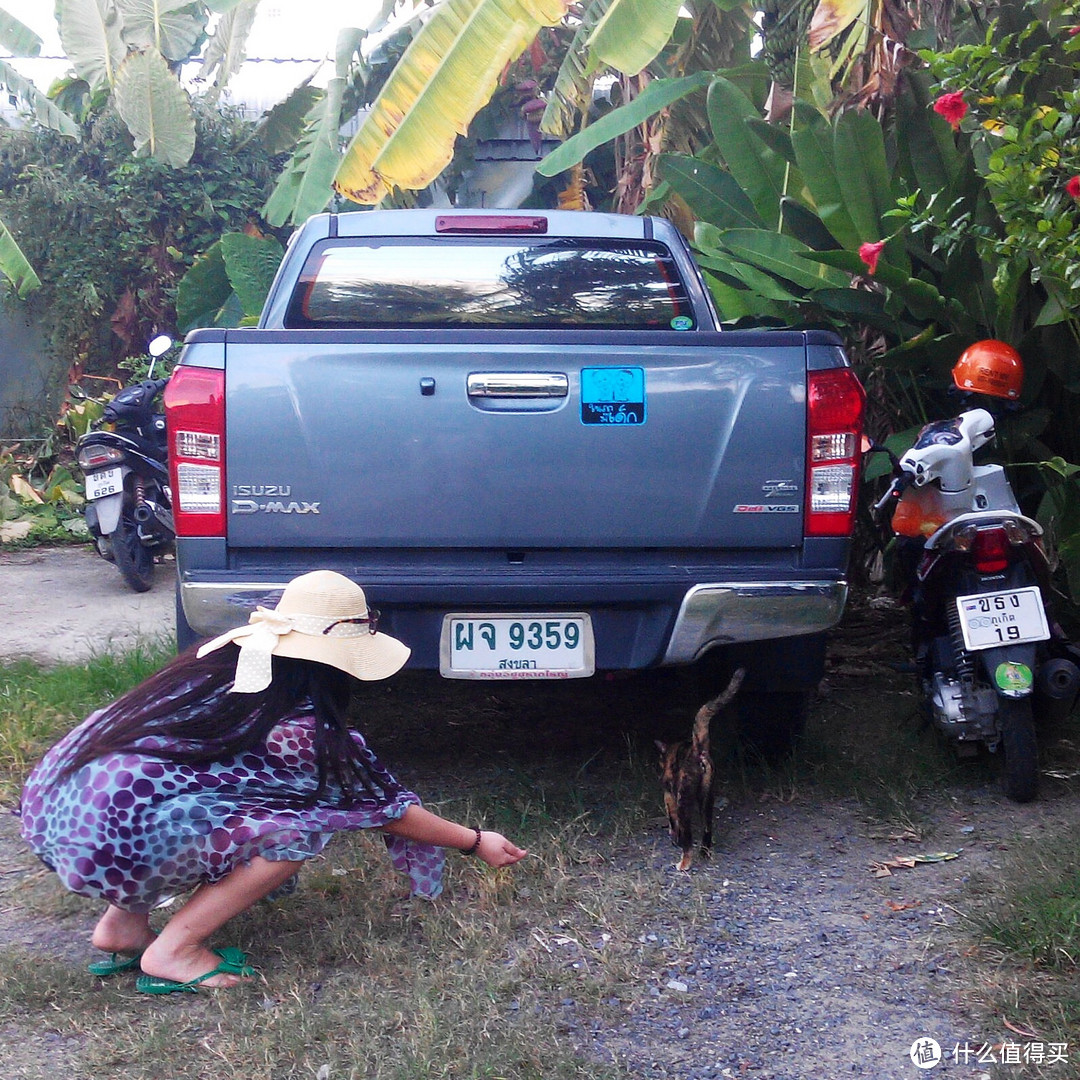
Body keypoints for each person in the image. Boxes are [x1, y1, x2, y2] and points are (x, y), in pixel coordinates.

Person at [18, 570, 527, 995]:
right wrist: (476, 842)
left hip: (55, 813)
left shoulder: (213, 670)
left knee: (169, 801)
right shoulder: (303, 731)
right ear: (334, 666)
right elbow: (387, 809)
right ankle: (174, 952)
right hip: (110, 840)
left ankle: (121, 927)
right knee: (293, 832)